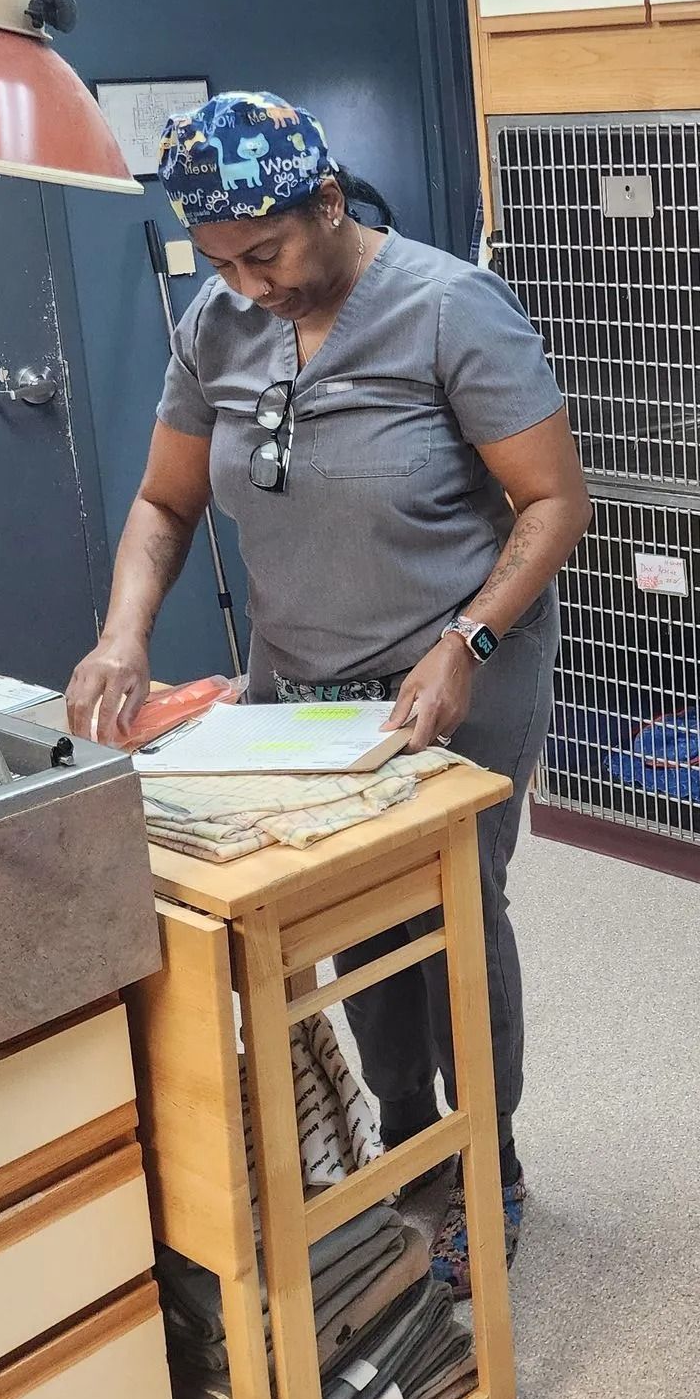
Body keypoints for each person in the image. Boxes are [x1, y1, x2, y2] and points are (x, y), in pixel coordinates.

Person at [67, 92, 590, 1295]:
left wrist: (466, 638)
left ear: (331, 203)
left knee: (451, 907)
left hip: (456, 667)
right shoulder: (218, 327)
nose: (251, 284)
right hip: (303, 685)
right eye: (223, 263)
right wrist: (121, 636)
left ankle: (486, 1162)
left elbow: (555, 502)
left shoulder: (450, 306)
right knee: (344, 918)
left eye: (269, 253)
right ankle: (405, 1135)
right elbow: (164, 501)